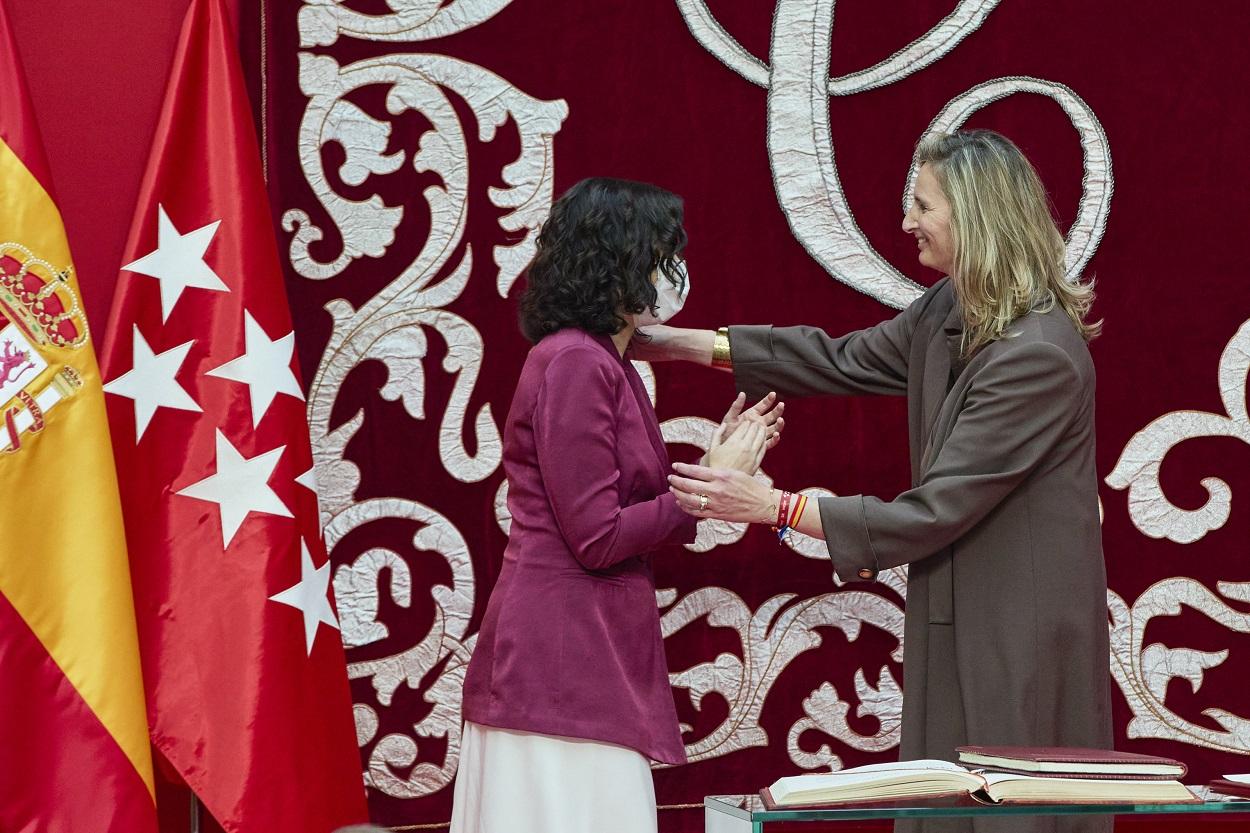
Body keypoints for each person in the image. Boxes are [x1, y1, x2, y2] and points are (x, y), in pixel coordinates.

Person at [642, 130, 1113, 833]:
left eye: (922, 205)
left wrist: (771, 505)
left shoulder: (1037, 355)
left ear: (974, 215)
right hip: (957, 602)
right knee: (944, 805)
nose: (905, 223)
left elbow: (932, 511)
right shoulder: (949, 311)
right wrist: (674, 344)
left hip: (1018, 627)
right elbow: (838, 359)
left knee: (1010, 813)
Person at [452, 177, 784, 833]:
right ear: (617, 260)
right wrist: (707, 487)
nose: (674, 270)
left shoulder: (605, 359)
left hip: (582, 651)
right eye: (661, 253)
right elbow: (598, 536)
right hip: (559, 663)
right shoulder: (578, 361)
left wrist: (710, 476)